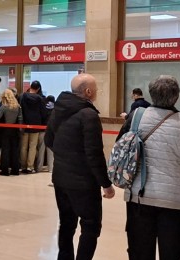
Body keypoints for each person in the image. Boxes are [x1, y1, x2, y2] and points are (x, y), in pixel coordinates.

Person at [115, 76, 180, 260]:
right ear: (177, 97)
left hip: (140, 197)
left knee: (139, 251)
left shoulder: (136, 116)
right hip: (174, 201)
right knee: (172, 252)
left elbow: (120, 145)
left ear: (152, 95)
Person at [45, 73, 115, 260]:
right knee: (90, 226)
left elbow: (49, 140)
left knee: (66, 224)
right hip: (83, 183)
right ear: (88, 91)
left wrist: (65, 156)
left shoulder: (59, 109)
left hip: (60, 178)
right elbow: (94, 154)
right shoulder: (89, 115)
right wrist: (106, 184)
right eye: (96, 89)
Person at [19, 81, 46, 174]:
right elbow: (43, 112)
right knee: (32, 146)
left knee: (23, 146)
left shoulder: (22, 96)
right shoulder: (40, 98)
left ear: (30, 87)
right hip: (36, 124)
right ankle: (30, 166)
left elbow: (20, 109)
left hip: (24, 123)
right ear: (38, 89)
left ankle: (23, 166)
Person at [0, 89, 23, 176]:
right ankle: (15, 170)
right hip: (15, 130)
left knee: (5, 150)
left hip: (5, 130)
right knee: (15, 150)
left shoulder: (4, 106)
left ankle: (5, 170)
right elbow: (20, 119)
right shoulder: (18, 106)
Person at [35, 95, 55, 172]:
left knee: (41, 149)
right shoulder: (55, 109)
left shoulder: (43, 107)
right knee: (50, 150)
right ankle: (51, 168)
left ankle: (39, 167)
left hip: (42, 130)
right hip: (51, 131)